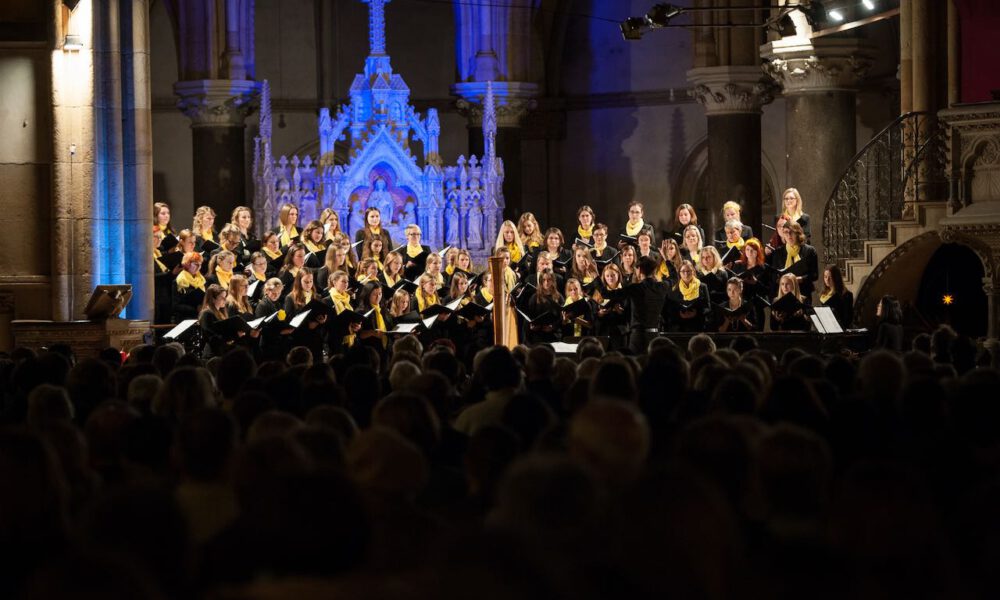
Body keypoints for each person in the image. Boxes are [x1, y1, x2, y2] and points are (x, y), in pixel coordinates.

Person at [623, 256, 671, 353]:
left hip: (637, 338)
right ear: (654, 270)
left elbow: (606, 294)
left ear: (639, 270)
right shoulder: (662, 286)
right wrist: (667, 259)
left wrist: (595, 275)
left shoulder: (634, 288)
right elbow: (674, 277)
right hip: (655, 337)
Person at [769, 221, 818, 303]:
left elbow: (814, 275)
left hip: (803, 291)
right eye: (786, 232)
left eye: (792, 232)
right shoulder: (778, 252)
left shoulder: (809, 251)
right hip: (783, 293)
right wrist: (782, 280)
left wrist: (801, 279)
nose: (789, 235)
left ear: (798, 233)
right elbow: (774, 275)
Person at [198, 284, 241, 358]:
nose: (225, 300)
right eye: (222, 298)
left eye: (225, 297)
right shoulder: (207, 313)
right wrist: (234, 335)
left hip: (222, 352)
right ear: (213, 299)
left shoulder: (221, 312)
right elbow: (212, 338)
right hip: (212, 355)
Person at [669, 259, 710, 333]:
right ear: (679, 273)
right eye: (683, 271)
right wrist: (680, 315)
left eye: (688, 271)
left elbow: (707, 307)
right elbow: (671, 309)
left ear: (693, 271)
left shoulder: (702, 286)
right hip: (680, 326)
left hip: (698, 324)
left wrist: (696, 313)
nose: (686, 273)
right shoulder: (675, 288)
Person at [594, 263, 628, 350]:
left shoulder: (625, 290)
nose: (610, 278)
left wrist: (620, 311)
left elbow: (631, 312)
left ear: (618, 275)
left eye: (613, 275)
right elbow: (594, 312)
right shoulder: (600, 291)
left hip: (620, 331)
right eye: (607, 276)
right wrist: (600, 313)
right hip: (604, 331)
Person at [767, 187, 811, 252]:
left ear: (797, 200)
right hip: (782, 252)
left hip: (800, 251)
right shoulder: (778, 218)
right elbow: (776, 237)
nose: (788, 201)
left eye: (791, 198)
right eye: (786, 199)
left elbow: (806, 238)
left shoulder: (804, 218)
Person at [525, 269, 562, 345]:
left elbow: (561, 317)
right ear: (540, 281)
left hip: (554, 335)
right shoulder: (535, 297)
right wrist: (532, 326)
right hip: (538, 335)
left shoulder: (559, 297)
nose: (546, 283)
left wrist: (553, 326)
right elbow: (529, 317)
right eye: (544, 280)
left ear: (553, 281)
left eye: (549, 280)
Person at [173, 252, 206, 322]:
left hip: (200, 317)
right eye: (196, 264)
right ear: (187, 263)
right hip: (185, 319)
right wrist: (196, 308)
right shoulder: (179, 280)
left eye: (200, 265)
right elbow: (175, 306)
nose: (199, 267)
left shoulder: (202, 279)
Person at [820, 265, 854, 329]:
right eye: (825, 277)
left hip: (839, 330)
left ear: (836, 278)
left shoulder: (846, 295)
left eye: (830, 277)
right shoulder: (823, 294)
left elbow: (847, 319)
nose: (827, 280)